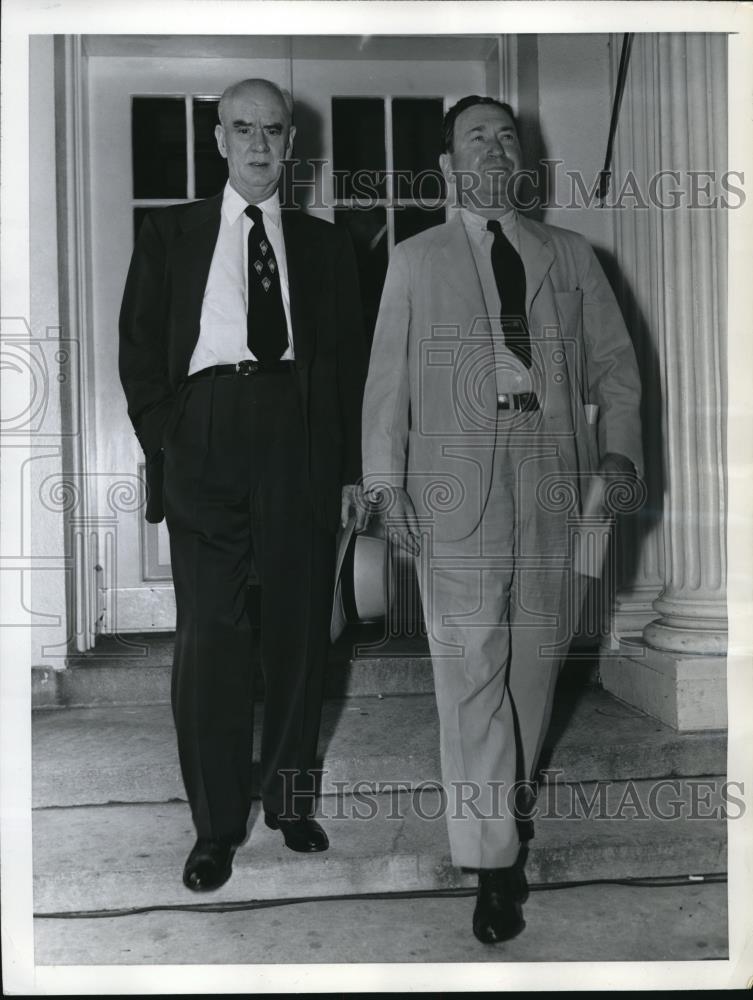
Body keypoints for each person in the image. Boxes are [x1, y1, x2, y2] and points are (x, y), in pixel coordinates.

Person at [361, 96, 642, 943]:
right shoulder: (413, 259)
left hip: (552, 476)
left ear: (522, 160)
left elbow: (615, 367)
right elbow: (387, 382)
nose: (493, 148)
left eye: (505, 136)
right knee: (470, 669)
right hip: (452, 486)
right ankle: (492, 863)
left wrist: (620, 456)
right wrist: (384, 482)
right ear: (447, 165)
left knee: (534, 663)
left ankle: (504, 805)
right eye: (474, 138)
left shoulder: (569, 256)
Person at [119, 78, 367, 892]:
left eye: (274, 130)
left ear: (291, 143)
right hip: (208, 431)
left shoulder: (328, 247)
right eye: (242, 129)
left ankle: (289, 802)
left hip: (297, 435)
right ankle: (216, 826)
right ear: (218, 141)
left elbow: (349, 372)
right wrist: (171, 438)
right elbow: (140, 351)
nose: (259, 143)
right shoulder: (170, 233)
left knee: (299, 633)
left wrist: (349, 470)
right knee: (213, 640)